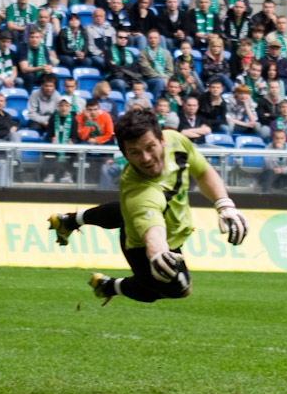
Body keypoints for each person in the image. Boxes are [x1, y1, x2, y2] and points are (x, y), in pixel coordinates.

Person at [49, 109, 248, 304]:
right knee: (178, 289)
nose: (145, 158)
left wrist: (225, 204)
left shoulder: (176, 141)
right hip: (143, 247)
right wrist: (159, 255)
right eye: (135, 152)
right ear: (125, 156)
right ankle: (109, 286)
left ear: (162, 140)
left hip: (165, 222)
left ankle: (70, 221)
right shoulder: (139, 192)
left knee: (124, 211)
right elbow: (153, 234)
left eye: (150, 147)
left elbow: (203, 171)